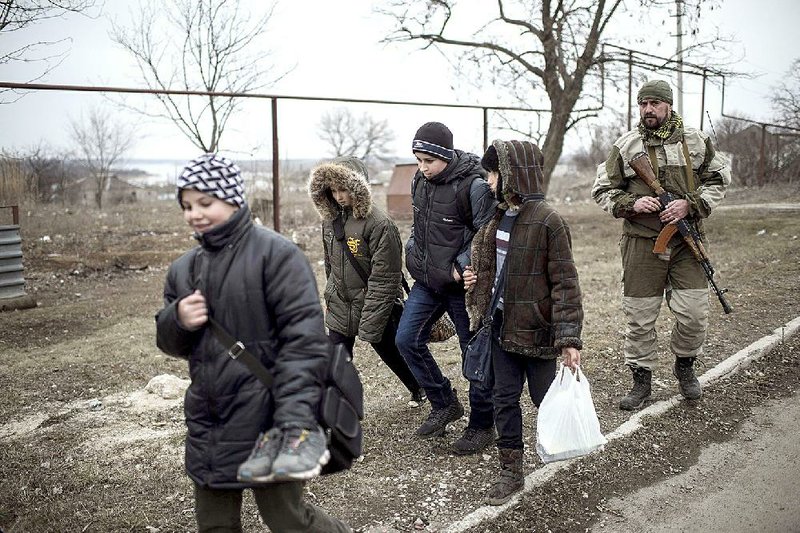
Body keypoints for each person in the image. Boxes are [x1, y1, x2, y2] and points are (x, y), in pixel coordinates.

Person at [155, 153, 350, 533]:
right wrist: (177, 320)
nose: (194, 214)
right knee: (214, 526)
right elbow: (172, 344)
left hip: (271, 417)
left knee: (290, 520)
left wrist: (294, 422)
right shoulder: (183, 270)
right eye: (186, 206)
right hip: (209, 422)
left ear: (232, 197)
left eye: (205, 203)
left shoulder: (277, 256)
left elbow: (304, 346)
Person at [592, 79, 731, 410]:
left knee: (694, 313)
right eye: (643, 104)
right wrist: (631, 204)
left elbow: (719, 179)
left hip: (686, 241)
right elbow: (601, 190)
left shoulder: (695, 142)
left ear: (669, 105)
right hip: (642, 243)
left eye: (654, 103)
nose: (648, 109)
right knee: (639, 317)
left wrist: (690, 204)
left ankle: (685, 365)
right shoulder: (626, 147)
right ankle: (641, 380)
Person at [463, 139, 583, 505]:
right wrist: (475, 280)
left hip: (538, 331)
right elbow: (492, 268)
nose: (489, 179)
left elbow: (565, 282)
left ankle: (561, 447)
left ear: (516, 173)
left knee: (545, 398)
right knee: (503, 399)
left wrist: (569, 339)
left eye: (495, 171)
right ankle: (511, 471)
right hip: (500, 328)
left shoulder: (549, 221)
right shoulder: (497, 216)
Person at [395, 121, 498, 455]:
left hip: (460, 286)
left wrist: (461, 265)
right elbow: (418, 223)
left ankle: (483, 425)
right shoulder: (418, 181)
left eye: (428, 160)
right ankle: (444, 403)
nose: (422, 167)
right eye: (418, 160)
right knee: (406, 339)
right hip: (427, 280)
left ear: (445, 156)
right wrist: (413, 250)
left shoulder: (474, 185)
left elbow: (486, 232)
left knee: (474, 356)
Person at [308, 155, 426, 407]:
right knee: (337, 357)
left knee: (389, 351)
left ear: (358, 187)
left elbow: (385, 277)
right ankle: (337, 406)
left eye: (345, 190)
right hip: (341, 301)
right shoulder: (330, 221)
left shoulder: (380, 224)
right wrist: (331, 293)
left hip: (373, 302)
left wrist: (372, 316)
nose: (339, 196)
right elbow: (330, 263)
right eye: (334, 190)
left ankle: (419, 386)